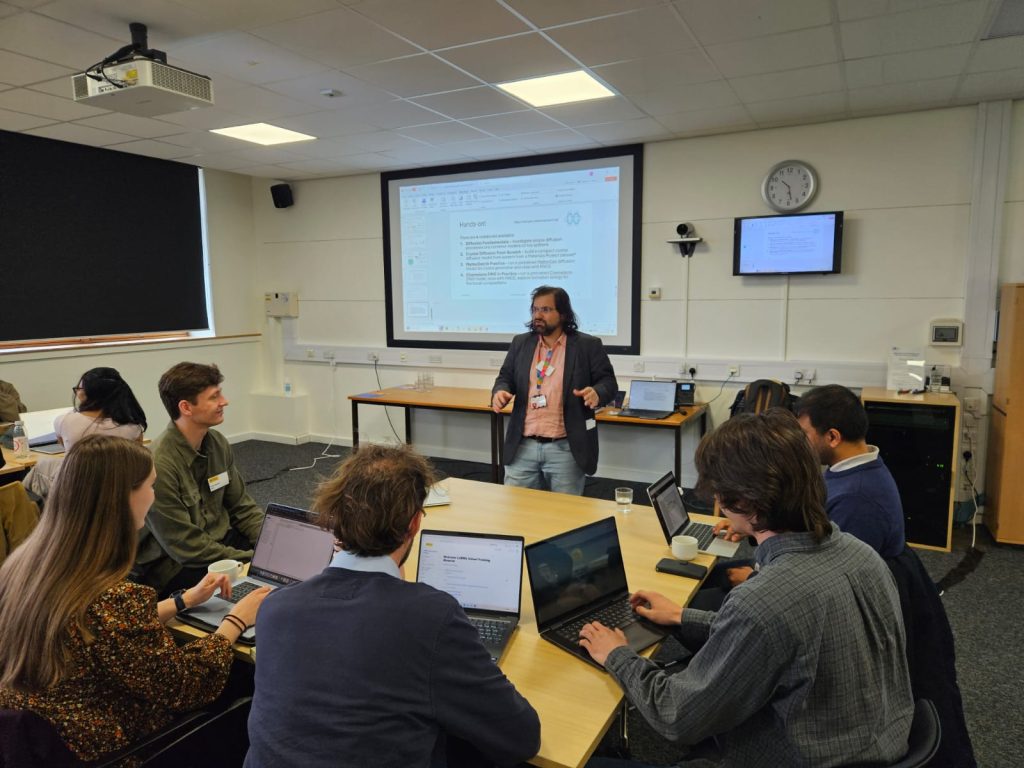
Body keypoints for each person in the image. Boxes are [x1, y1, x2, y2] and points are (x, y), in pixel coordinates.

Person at [578, 410, 914, 767]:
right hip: (876, 744)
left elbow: (676, 716)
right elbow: (777, 636)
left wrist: (617, 654)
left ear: (740, 502)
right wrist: (681, 616)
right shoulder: (863, 555)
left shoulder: (762, 602)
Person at [244, 444, 541, 768]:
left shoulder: (276, 607)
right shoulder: (430, 617)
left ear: (335, 518)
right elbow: (522, 738)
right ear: (414, 524)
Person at [0, 435, 269, 763]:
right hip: (122, 748)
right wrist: (236, 620)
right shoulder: (114, 598)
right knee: (247, 683)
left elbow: (97, 630)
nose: (154, 496)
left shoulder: (23, 568)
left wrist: (183, 601)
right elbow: (187, 687)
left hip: (46, 741)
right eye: (150, 486)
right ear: (123, 498)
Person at [134, 362, 265, 597]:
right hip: (176, 564)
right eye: (214, 397)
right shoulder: (160, 464)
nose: (224, 401)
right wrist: (253, 560)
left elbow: (242, 507)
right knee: (261, 583)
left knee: (285, 564)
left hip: (219, 542)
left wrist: (270, 545)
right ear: (186, 407)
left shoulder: (217, 443)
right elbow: (185, 546)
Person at [491, 286, 617, 495]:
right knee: (517, 510)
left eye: (546, 310)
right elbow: (505, 377)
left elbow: (609, 383)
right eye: (535, 309)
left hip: (565, 448)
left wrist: (597, 392)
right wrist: (500, 392)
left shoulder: (587, 345)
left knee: (565, 512)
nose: (538, 315)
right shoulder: (521, 343)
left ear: (563, 314)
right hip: (523, 446)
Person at [793, 383, 905, 557]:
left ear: (833, 437)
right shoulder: (855, 467)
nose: (800, 443)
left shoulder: (856, 501)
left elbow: (837, 568)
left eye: (804, 435)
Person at [55, 366, 147, 450]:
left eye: (78, 388)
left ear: (86, 393)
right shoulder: (134, 428)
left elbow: (66, 449)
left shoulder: (64, 422)